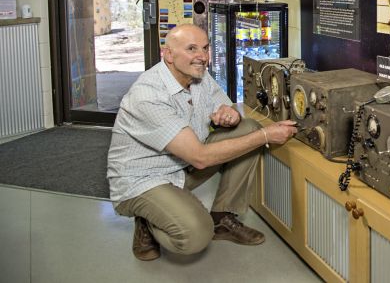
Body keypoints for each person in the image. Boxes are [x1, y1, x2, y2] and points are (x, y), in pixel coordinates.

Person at [107, 24, 298, 261]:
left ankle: (222, 218)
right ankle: (148, 218)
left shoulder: (198, 75)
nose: (203, 56)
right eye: (192, 49)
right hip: (143, 180)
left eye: (205, 48)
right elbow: (200, 157)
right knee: (196, 235)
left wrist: (230, 115)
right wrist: (267, 135)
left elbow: (226, 107)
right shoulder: (147, 96)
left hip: (179, 166)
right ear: (168, 55)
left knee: (247, 128)